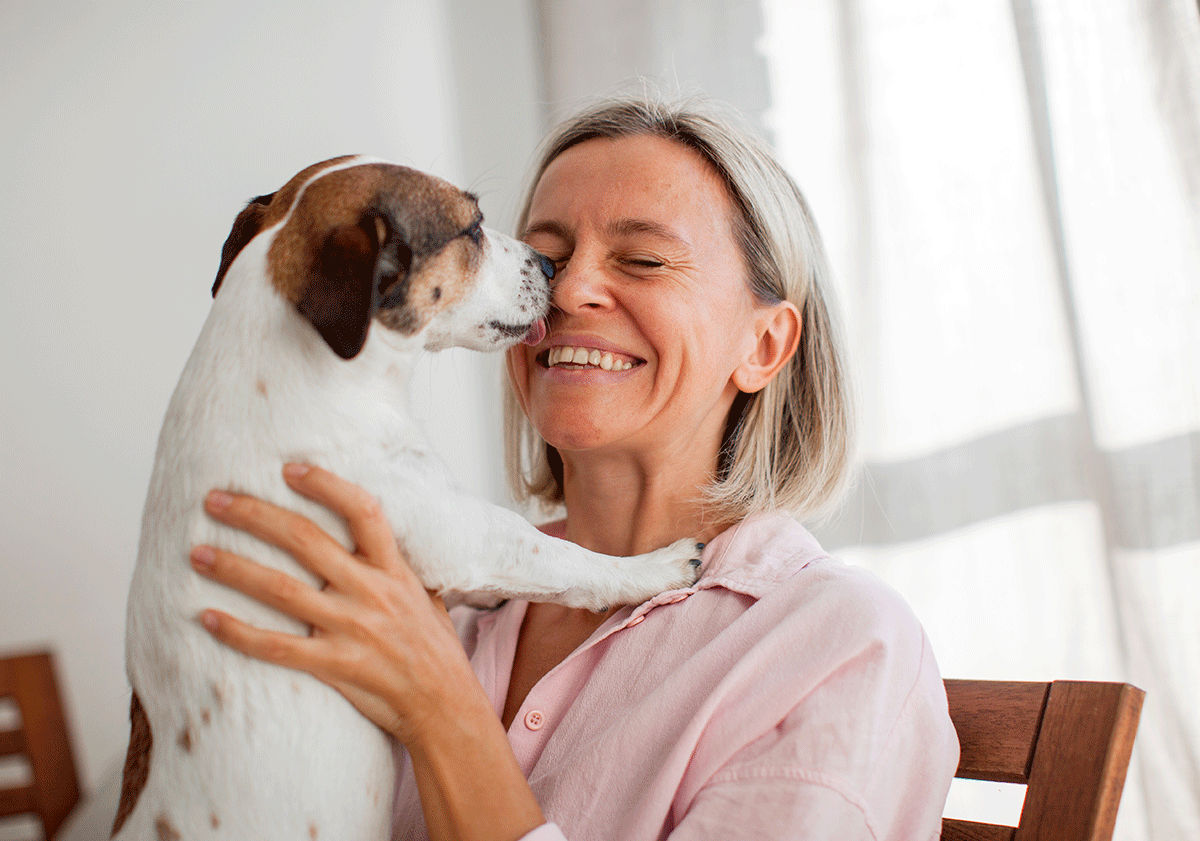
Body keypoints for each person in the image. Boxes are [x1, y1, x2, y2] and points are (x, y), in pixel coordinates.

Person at [191, 95, 959, 840]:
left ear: (764, 346)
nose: (570, 288)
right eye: (546, 257)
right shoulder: (423, 606)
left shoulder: (839, 644)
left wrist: (438, 707)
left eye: (644, 259)